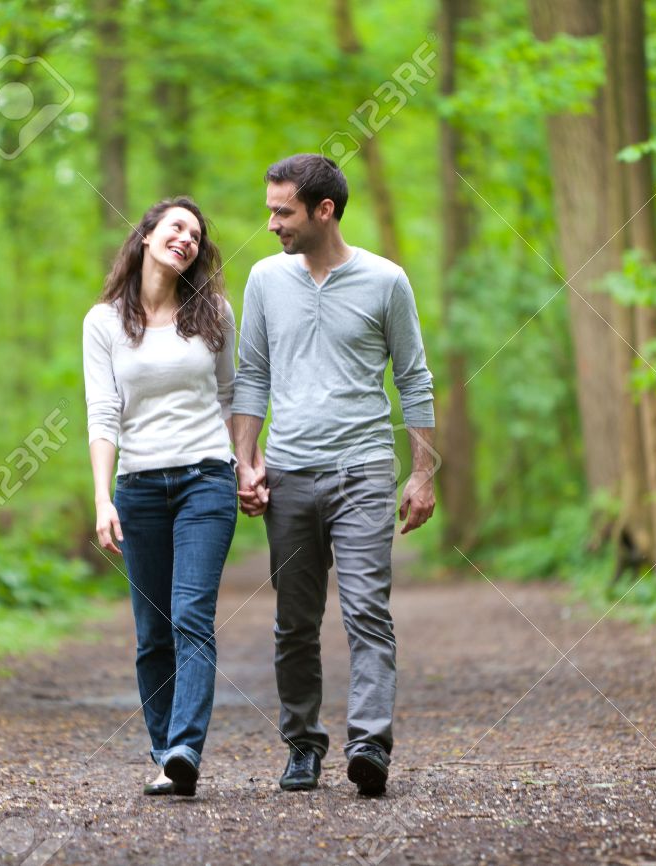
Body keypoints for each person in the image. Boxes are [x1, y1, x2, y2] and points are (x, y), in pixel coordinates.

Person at [232, 154, 436, 798]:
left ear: (324, 211)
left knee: (366, 610)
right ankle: (302, 745)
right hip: (290, 471)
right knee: (294, 621)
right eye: (270, 209)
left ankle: (370, 741)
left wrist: (423, 472)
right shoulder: (265, 279)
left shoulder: (386, 281)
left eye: (282, 210)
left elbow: (413, 378)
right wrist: (247, 457)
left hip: (365, 469)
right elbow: (252, 376)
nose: (271, 223)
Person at [83, 196, 243, 797]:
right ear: (147, 236)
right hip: (139, 488)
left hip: (206, 480)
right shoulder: (102, 323)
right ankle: (165, 754)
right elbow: (103, 414)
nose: (188, 239)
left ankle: (185, 748)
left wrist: (242, 464)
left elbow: (232, 396)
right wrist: (103, 498)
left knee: (191, 618)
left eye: (197, 236)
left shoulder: (216, 314)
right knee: (152, 634)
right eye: (177, 227)